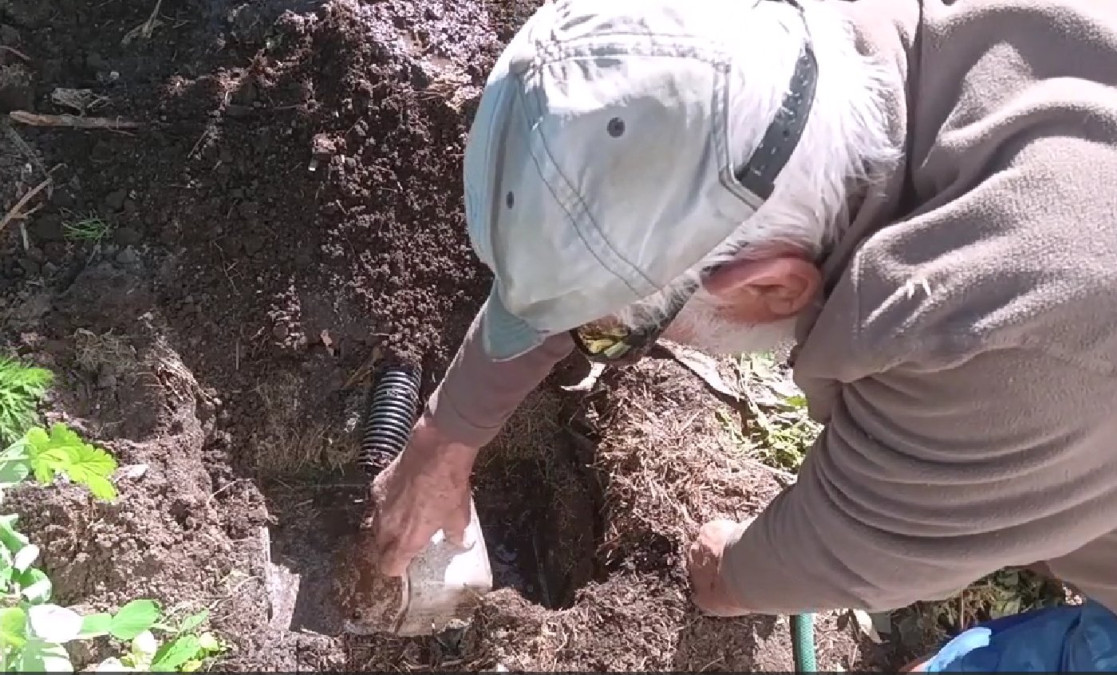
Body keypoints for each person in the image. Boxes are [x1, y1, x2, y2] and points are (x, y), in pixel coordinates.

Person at [365, 0, 1117, 670]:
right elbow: (596, 230)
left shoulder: (1000, 338)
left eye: (607, 335)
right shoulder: (808, 59)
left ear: (770, 288)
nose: (592, 339)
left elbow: (847, 548)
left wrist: (729, 571)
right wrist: (445, 434)